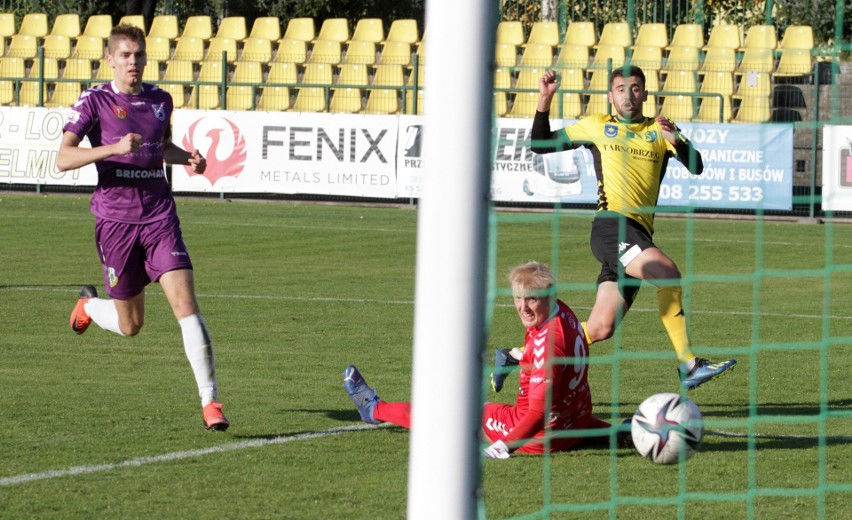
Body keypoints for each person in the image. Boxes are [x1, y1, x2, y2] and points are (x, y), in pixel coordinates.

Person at [501, 65, 735, 392]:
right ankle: (689, 364)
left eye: (636, 88)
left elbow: (697, 166)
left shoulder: (658, 130)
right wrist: (544, 99)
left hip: (638, 235)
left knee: (599, 328)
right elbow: (541, 143)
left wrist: (677, 139)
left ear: (645, 94)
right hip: (611, 228)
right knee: (667, 273)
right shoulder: (598, 126)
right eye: (621, 89)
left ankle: (514, 356)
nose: (629, 95)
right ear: (611, 96)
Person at [57, 24, 229, 431]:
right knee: (131, 325)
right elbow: (63, 158)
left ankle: (211, 403)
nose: (133, 62)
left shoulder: (160, 100)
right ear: (111, 60)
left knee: (186, 306)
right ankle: (88, 307)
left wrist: (187, 157)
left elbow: (158, 147)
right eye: (125, 55)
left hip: (159, 213)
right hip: (115, 221)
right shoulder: (94, 100)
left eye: (139, 55)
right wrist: (114, 148)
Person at [344, 261, 628, 458]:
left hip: (541, 435)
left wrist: (504, 446)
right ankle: (624, 433)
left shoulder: (549, 346)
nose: (523, 307)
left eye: (531, 299)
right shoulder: (562, 312)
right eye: (518, 298)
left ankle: (374, 409)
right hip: (575, 422)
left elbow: (536, 414)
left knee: (451, 412)